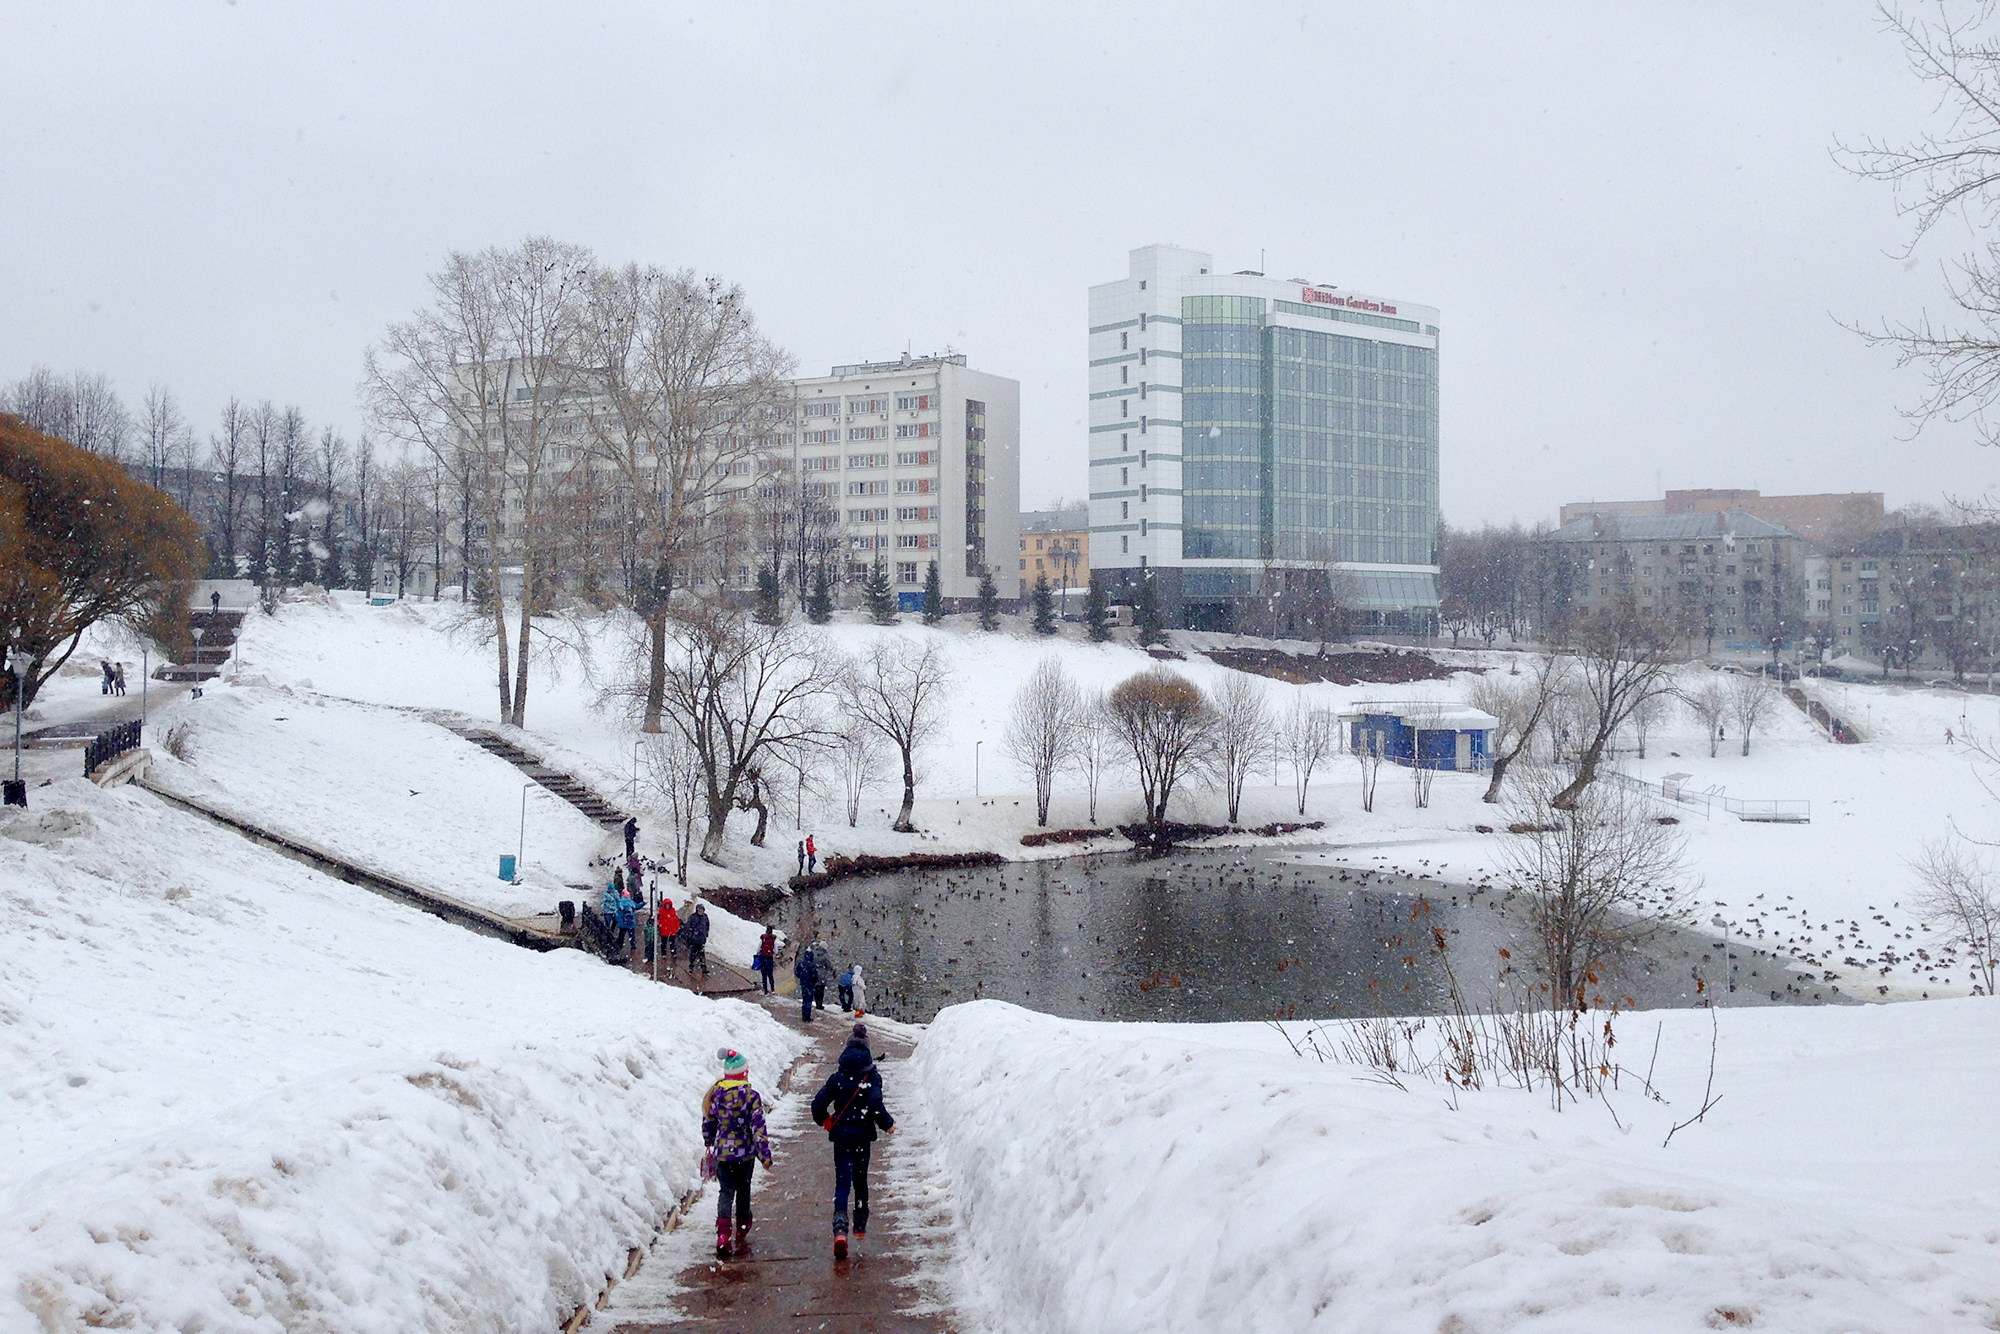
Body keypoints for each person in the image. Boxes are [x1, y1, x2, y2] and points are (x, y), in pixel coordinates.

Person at [809, 1023, 895, 1258]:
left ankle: (840, 1230)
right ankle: (859, 1224)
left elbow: (817, 1105)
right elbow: (876, 1104)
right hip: (862, 1136)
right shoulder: (871, 1076)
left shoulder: (837, 1077)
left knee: (842, 1181)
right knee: (861, 1179)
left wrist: (826, 1121)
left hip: (842, 1137)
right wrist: (888, 1124)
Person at [702, 1048, 774, 1259]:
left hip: (723, 1154)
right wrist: (765, 1156)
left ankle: (723, 1235)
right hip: (745, 1154)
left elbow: (708, 1121)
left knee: (725, 1192)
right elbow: (758, 1128)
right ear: (744, 1074)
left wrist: (709, 1140)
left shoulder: (716, 1095)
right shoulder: (751, 1097)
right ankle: (742, 1225)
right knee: (744, 1189)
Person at [795, 943, 820, 1023]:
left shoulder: (801, 964)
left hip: (803, 983)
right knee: (809, 1000)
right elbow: (815, 975)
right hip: (810, 984)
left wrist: (802, 978)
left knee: (804, 999)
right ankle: (807, 1016)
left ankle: (804, 1015)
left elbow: (797, 972)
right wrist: (814, 981)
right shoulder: (812, 965)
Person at [685, 903, 711, 977]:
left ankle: (703, 967)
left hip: (701, 939)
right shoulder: (693, 917)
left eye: (701, 910)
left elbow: (707, 925)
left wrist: (706, 934)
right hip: (694, 939)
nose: (700, 911)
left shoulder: (705, 917)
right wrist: (691, 935)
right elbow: (688, 927)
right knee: (693, 953)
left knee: (702, 954)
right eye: (699, 910)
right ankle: (691, 966)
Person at [598, 878, 622, 954]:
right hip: (607, 911)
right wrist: (602, 909)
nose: (610, 890)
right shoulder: (605, 895)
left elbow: (618, 900)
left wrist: (620, 907)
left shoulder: (615, 893)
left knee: (615, 921)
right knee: (607, 922)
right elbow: (602, 902)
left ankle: (611, 930)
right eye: (609, 889)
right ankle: (609, 933)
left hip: (614, 910)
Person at [659, 896, 682, 968]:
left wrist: (677, 927)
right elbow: (659, 919)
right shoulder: (661, 911)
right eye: (666, 905)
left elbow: (676, 920)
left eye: (668, 905)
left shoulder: (673, 911)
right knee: (664, 943)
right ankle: (664, 954)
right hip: (664, 930)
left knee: (672, 943)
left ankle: (673, 953)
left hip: (671, 930)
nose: (667, 906)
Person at [756, 926, 778, 994]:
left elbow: (758, 949)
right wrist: (772, 952)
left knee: (764, 975)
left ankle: (765, 990)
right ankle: (772, 989)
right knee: (770, 975)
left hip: (763, 958)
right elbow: (776, 950)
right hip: (769, 958)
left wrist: (759, 953)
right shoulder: (773, 940)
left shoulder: (763, 938)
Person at [812, 939, 833, 1011]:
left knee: (816, 988)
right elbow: (828, 965)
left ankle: (816, 1001)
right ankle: (819, 1004)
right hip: (822, 974)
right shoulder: (825, 955)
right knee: (821, 989)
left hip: (814, 973)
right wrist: (831, 970)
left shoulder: (814, 953)